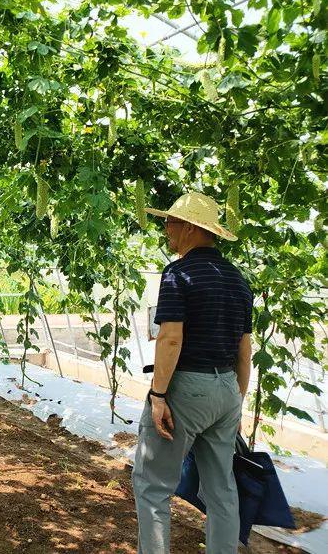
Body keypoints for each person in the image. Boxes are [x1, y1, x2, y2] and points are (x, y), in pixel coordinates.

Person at [133, 192, 253, 553]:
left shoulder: (179, 273)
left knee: (153, 486)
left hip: (187, 388)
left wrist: (158, 395)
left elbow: (170, 338)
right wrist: (236, 403)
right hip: (226, 390)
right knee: (222, 490)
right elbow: (244, 352)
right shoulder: (238, 279)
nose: (165, 229)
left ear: (189, 228)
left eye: (170, 222)